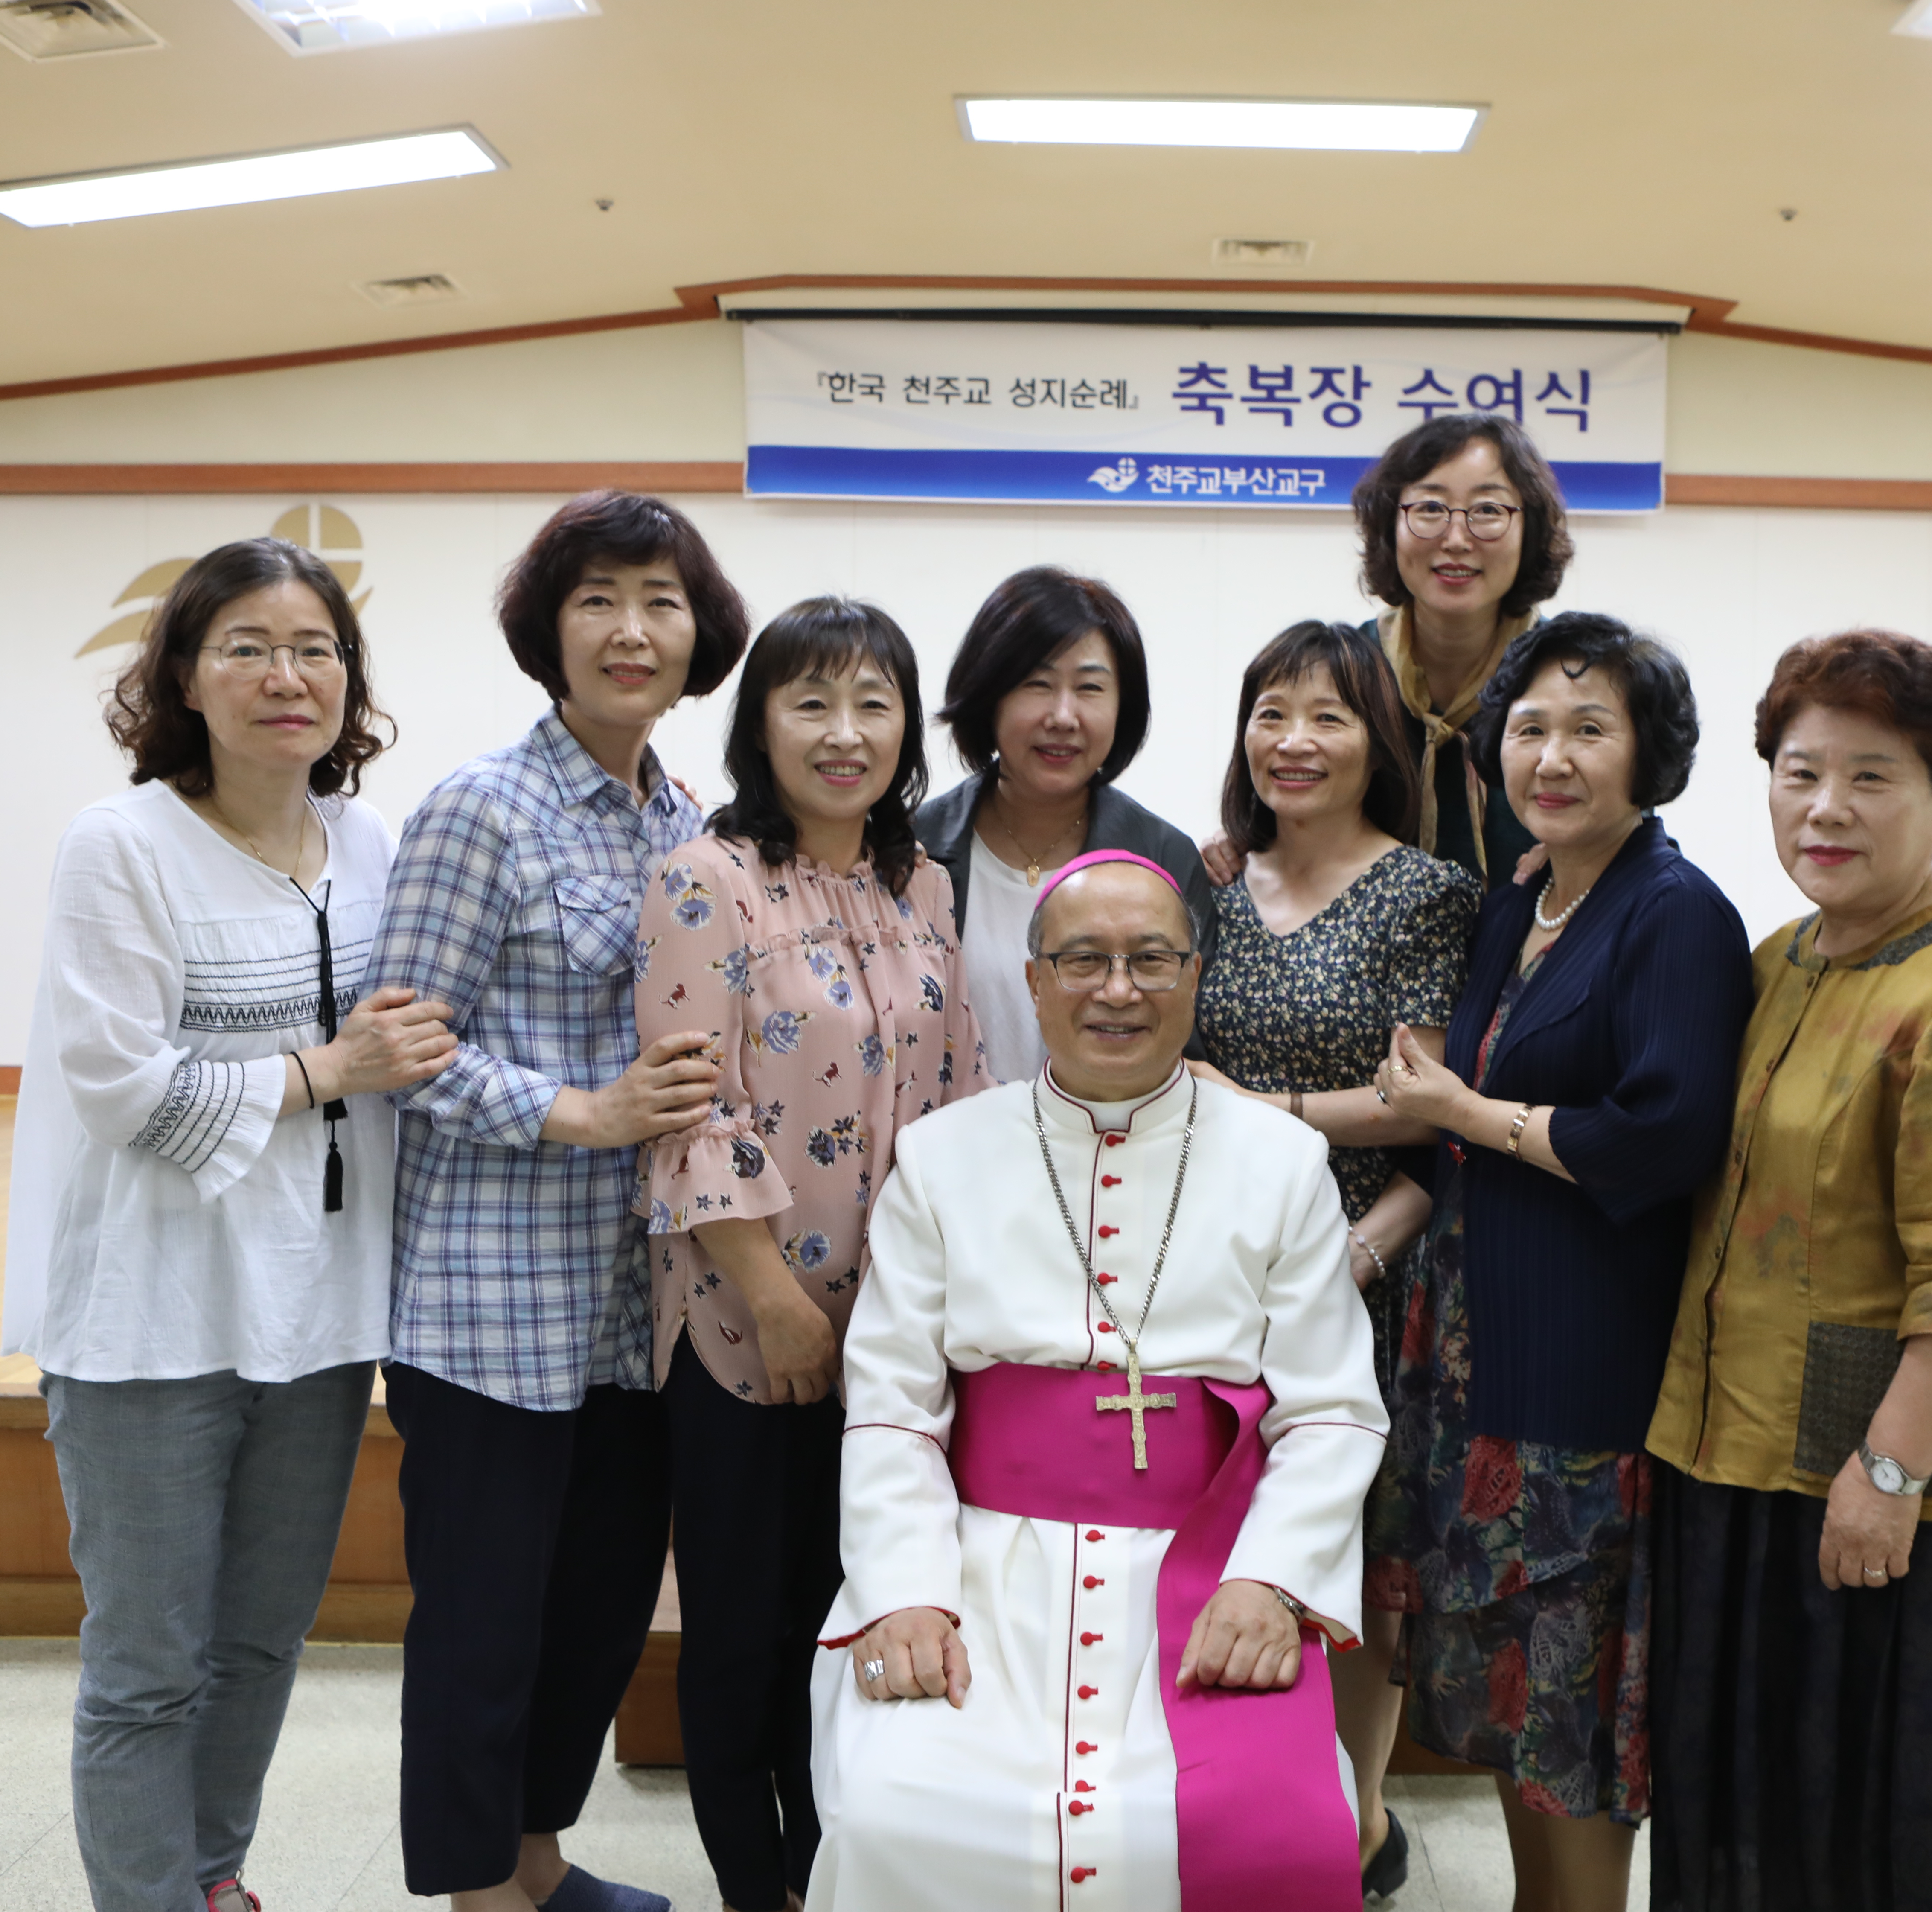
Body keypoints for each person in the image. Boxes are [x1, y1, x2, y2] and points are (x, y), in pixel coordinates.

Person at [2, 537, 455, 1912]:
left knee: (261, 1639)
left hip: (317, 1307)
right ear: (184, 678)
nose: (285, 674)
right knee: (147, 1660)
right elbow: (121, 1084)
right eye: (247, 646)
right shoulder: (119, 843)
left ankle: (209, 1875)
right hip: (148, 1312)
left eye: (315, 647)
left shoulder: (371, 842)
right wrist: (330, 1068)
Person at [805, 852, 1388, 1912]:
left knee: (1278, 1826)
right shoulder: (941, 1158)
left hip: (1211, 1569)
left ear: (1195, 976)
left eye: (1151, 961)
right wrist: (905, 1591)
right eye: (1083, 960)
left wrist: (1272, 1581)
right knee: (899, 1812)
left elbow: (1334, 1411)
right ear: (1032, 982)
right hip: (983, 1572)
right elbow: (891, 1408)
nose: (1118, 989)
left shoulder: (1282, 1161)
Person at [1643, 630, 1932, 1912]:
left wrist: (1883, 1477)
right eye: (1797, 770)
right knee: (1754, 1819)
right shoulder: (1781, 960)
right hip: (1742, 1465)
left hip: (1895, 1507)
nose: (1824, 805)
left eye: (1872, 774)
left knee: (1883, 1843)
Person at [372, 491, 746, 1912]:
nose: (631, 629)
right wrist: (576, 1111)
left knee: (593, 1619)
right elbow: (399, 1046)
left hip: (634, 1307)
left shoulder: (686, 821)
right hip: (490, 1305)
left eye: (660, 598)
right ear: (550, 628)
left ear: (697, 630)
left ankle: (537, 1857)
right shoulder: (484, 808)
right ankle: (480, 1892)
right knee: (482, 1625)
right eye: (598, 597)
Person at [1372, 612, 1752, 1912]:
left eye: (1590, 726)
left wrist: (1470, 1115)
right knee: (1520, 1715)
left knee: (1576, 1734)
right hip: (1485, 1363)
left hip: (1586, 1391)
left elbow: (1662, 1135)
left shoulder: (1673, 911)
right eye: (1528, 725)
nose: (1551, 753)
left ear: (1650, 750)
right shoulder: (1519, 902)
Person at [637, 596, 988, 1912]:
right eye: (811, 703)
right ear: (760, 723)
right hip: (749, 1323)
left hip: (893, 1331)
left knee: (847, 1612)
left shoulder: (921, 884)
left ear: (907, 725)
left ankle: (833, 1866)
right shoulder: (702, 878)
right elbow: (692, 1112)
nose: (845, 734)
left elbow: (958, 1089)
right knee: (739, 1628)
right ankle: (756, 1886)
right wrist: (777, 1300)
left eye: (873, 703)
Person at [1183, 618, 1479, 1900]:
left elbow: (1421, 1102)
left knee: (1358, 1546)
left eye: (1328, 716)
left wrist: (1256, 1109)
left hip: (1368, 1259)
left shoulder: (1426, 891)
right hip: (1208, 1264)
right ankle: (1235, 1790)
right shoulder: (1201, 883)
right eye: (1270, 713)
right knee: (1221, 1526)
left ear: (1378, 741)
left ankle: (1354, 1818)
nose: (1293, 742)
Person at [1204, 414, 1579, 892]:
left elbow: (1631, 825)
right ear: (1390, 524)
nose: (1457, 539)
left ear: (1530, 528)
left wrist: (1596, 852)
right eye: (1430, 508)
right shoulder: (1344, 672)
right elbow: (1276, 811)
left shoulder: (1572, 679)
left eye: (1487, 510)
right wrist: (1237, 844)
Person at [914, 564, 1212, 1084]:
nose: (1063, 715)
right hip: (944, 1153)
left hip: (1112, 1151)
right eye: (1037, 684)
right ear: (990, 696)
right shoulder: (913, 847)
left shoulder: (1163, 856)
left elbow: (1186, 1042)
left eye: (1091, 688)